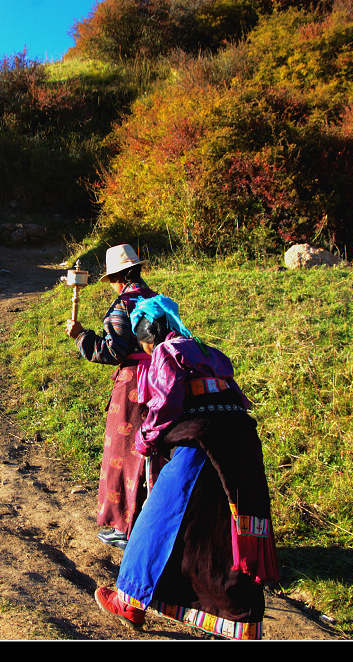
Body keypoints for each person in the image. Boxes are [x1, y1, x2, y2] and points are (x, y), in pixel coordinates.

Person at [92, 294, 279, 640]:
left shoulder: (167, 352)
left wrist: (145, 441)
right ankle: (243, 622)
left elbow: (165, 405)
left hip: (201, 440)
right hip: (241, 443)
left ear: (152, 329)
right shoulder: (208, 352)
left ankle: (129, 599)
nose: (145, 349)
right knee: (223, 530)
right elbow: (238, 398)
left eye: (143, 339)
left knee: (159, 517)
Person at [65, 244, 165, 549]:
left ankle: (124, 525)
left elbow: (113, 350)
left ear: (114, 278)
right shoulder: (155, 299)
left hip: (135, 384)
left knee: (124, 453)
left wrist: (81, 335)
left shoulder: (125, 303)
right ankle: (151, 521)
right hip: (162, 378)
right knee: (153, 451)